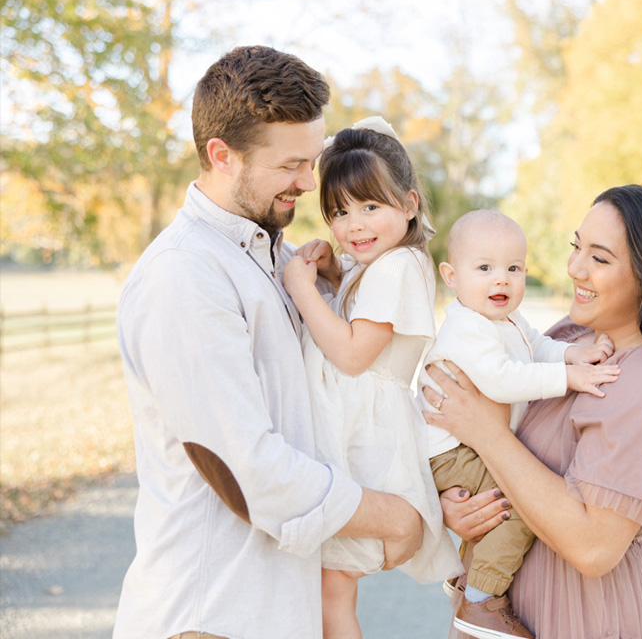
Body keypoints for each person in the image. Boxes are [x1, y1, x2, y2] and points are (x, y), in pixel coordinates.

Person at [114, 47, 425, 639]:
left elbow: (335, 411)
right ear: (221, 155)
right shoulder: (185, 276)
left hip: (277, 612)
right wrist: (396, 516)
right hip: (211, 616)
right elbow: (246, 466)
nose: (309, 184)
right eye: (291, 166)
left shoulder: (277, 260)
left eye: (312, 161)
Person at [424, 184, 642, 638]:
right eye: (577, 247)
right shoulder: (569, 337)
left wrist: (486, 434)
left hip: (586, 616)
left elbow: (594, 547)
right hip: (507, 607)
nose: (575, 267)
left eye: (599, 257)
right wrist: (460, 506)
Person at [282, 116, 462, 639]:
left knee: (333, 590)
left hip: (362, 438)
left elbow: (355, 353)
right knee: (330, 588)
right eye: (339, 211)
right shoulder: (388, 262)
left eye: (370, 206)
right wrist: (337, 275)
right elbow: (363, 314)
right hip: (357, 427)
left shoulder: (396, 268)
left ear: (409, 204)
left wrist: (302, 288)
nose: (353, 225)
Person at [418, 210, 621, 639]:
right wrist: (568, 379)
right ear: (451, 275)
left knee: (509, 502)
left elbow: (538, 346)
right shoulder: (466, 328)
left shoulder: (505, 320)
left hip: (468, 445)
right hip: (451, 451)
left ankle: (470, 582)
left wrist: (571, 355)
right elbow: (504, 379)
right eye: (485, 268)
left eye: (513, 269)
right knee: (520, 505)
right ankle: (479, 601)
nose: (501, 281)